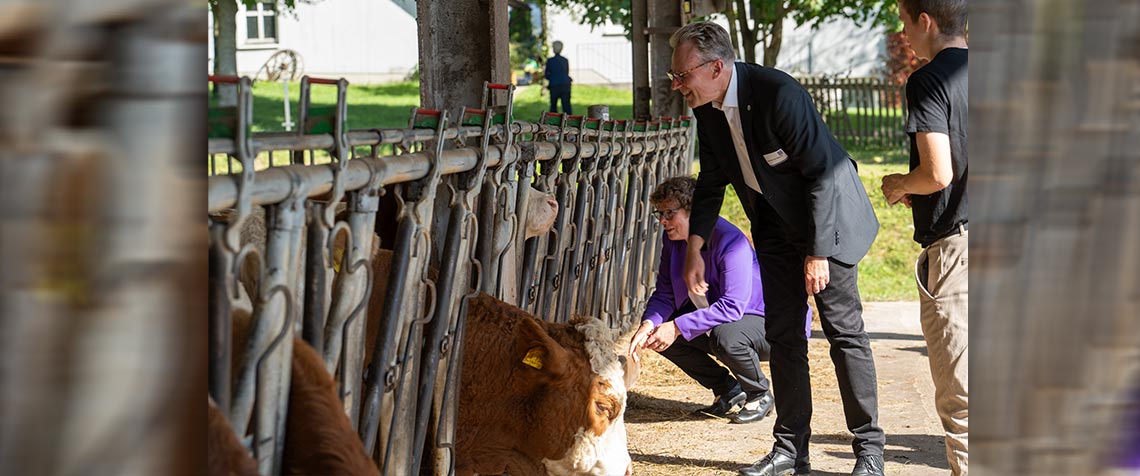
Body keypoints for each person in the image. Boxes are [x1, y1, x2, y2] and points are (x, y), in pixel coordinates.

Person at [668, 21, 885, 476]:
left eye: (682, 75)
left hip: (830, 223)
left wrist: (819, 252)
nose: (677, 85)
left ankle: (869, 452)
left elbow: (821, 176)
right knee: (786, 338)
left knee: (844, 336)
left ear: (715, 67)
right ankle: (790, 450)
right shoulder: (706, 106)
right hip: (774, 226)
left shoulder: (777, 93)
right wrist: (694, 247)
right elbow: (711, 181)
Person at [628, 176, 811, 425]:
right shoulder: (673, 241)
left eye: (670, 213)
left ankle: (759, 394)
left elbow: (732, 307)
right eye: (659, 213)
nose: (663, 221)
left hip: (772, 324)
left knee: (726, 336)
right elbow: (665, 292)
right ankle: (728, 389)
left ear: (695, 210)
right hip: (728, 321)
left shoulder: (730, 241)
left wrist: (677, 327)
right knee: (663, 334)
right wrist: (649, 324)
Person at [879, 1, 968, 474]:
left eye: (904, 20)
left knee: (964, 400)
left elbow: (937, 173)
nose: (904, 32)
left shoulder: (929, 79)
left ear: (926, 22)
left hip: (960, 251)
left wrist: (900, 184)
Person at [544, 40, 572, 114]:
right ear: (561, 48)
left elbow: (546, 75)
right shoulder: (565, 60)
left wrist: (552, 78)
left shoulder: (550, 61)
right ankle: (568, 122)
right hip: (565, 84)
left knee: (553, 106)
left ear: (553, 49)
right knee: (566, 106)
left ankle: (553, 123)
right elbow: (566, 72)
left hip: (554, 85)